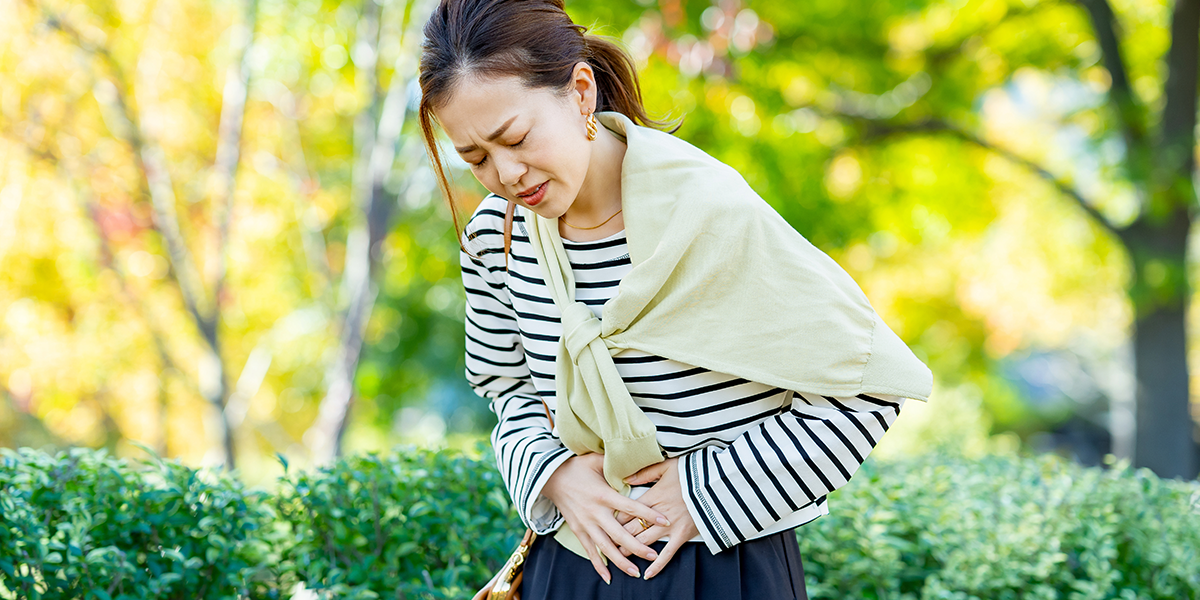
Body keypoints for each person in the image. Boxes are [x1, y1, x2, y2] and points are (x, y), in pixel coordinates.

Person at [416, 0, 933, 598]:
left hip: (724, 564)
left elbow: (868, 387)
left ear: (580, 92)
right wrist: (555, 476)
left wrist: (705, 492)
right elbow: (507, 388)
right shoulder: (493, 238)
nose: (505, 174)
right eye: (476, 158)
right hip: (573, 564)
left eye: (517, 138)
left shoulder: (708, 213)